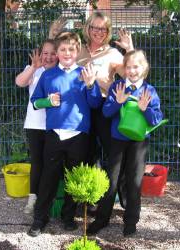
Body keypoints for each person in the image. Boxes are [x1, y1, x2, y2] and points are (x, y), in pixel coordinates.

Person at [28, 32, 102, 237]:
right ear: (58, 52)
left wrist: (90, 84)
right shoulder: (48, 74)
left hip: (78, 134)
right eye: (63, 49)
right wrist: (47, 101)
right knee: (48, 178)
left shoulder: (84, 73)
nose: (67, 53)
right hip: (54, 134)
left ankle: (67, 217)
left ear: (77, 51)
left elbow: (95, 103)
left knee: (73, 179)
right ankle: (39, 219)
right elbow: (35, 102)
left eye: (71, 49)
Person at [87, 49, 163, 236]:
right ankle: (102, 219)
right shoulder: (117, 87)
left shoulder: (149, 90)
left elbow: (156, 120)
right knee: (111, 180)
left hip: (139, 142)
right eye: (128, 67)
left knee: (134, 181)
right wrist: (118, 102)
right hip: (118, 140)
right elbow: (106, 112)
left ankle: (130, 222)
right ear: (124, 68)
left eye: (136, 67)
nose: (132, 71)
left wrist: (145, 109)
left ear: (143, 68)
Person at [77, 11, 134, 212]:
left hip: (105, 108)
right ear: (88, 28)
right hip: (81, 108)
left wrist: (130, 50)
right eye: (95, 27)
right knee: (87, 153)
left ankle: (127, 200)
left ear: (107, 31)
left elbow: (131, 73)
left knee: (114, 153)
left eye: (103, 28)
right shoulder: (78, 50)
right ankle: (91, 200)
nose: (98, 32)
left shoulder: (112, 54)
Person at [15, 39, 58, 214]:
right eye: (45, 53)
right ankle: (33, 198)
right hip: (34, 125)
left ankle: (50, 198)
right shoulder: (33, 70)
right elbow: (19, 82)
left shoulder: (60, 72)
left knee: (52, 163)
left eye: (52, 53)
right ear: (40, 54)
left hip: (54, 126)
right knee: (37, 162)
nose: (48, 57)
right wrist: (33, 67)